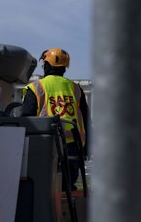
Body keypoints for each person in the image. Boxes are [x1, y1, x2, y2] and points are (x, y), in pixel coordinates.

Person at [21, 48, 89, 192]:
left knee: (43, 189)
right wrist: (87, 147)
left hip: (45, 146)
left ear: (46, 65)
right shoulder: (75, 89)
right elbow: (86, 119)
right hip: (73, 148)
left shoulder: (36, 87)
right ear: (64, 68)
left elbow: (25, 121)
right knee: (67, 190)